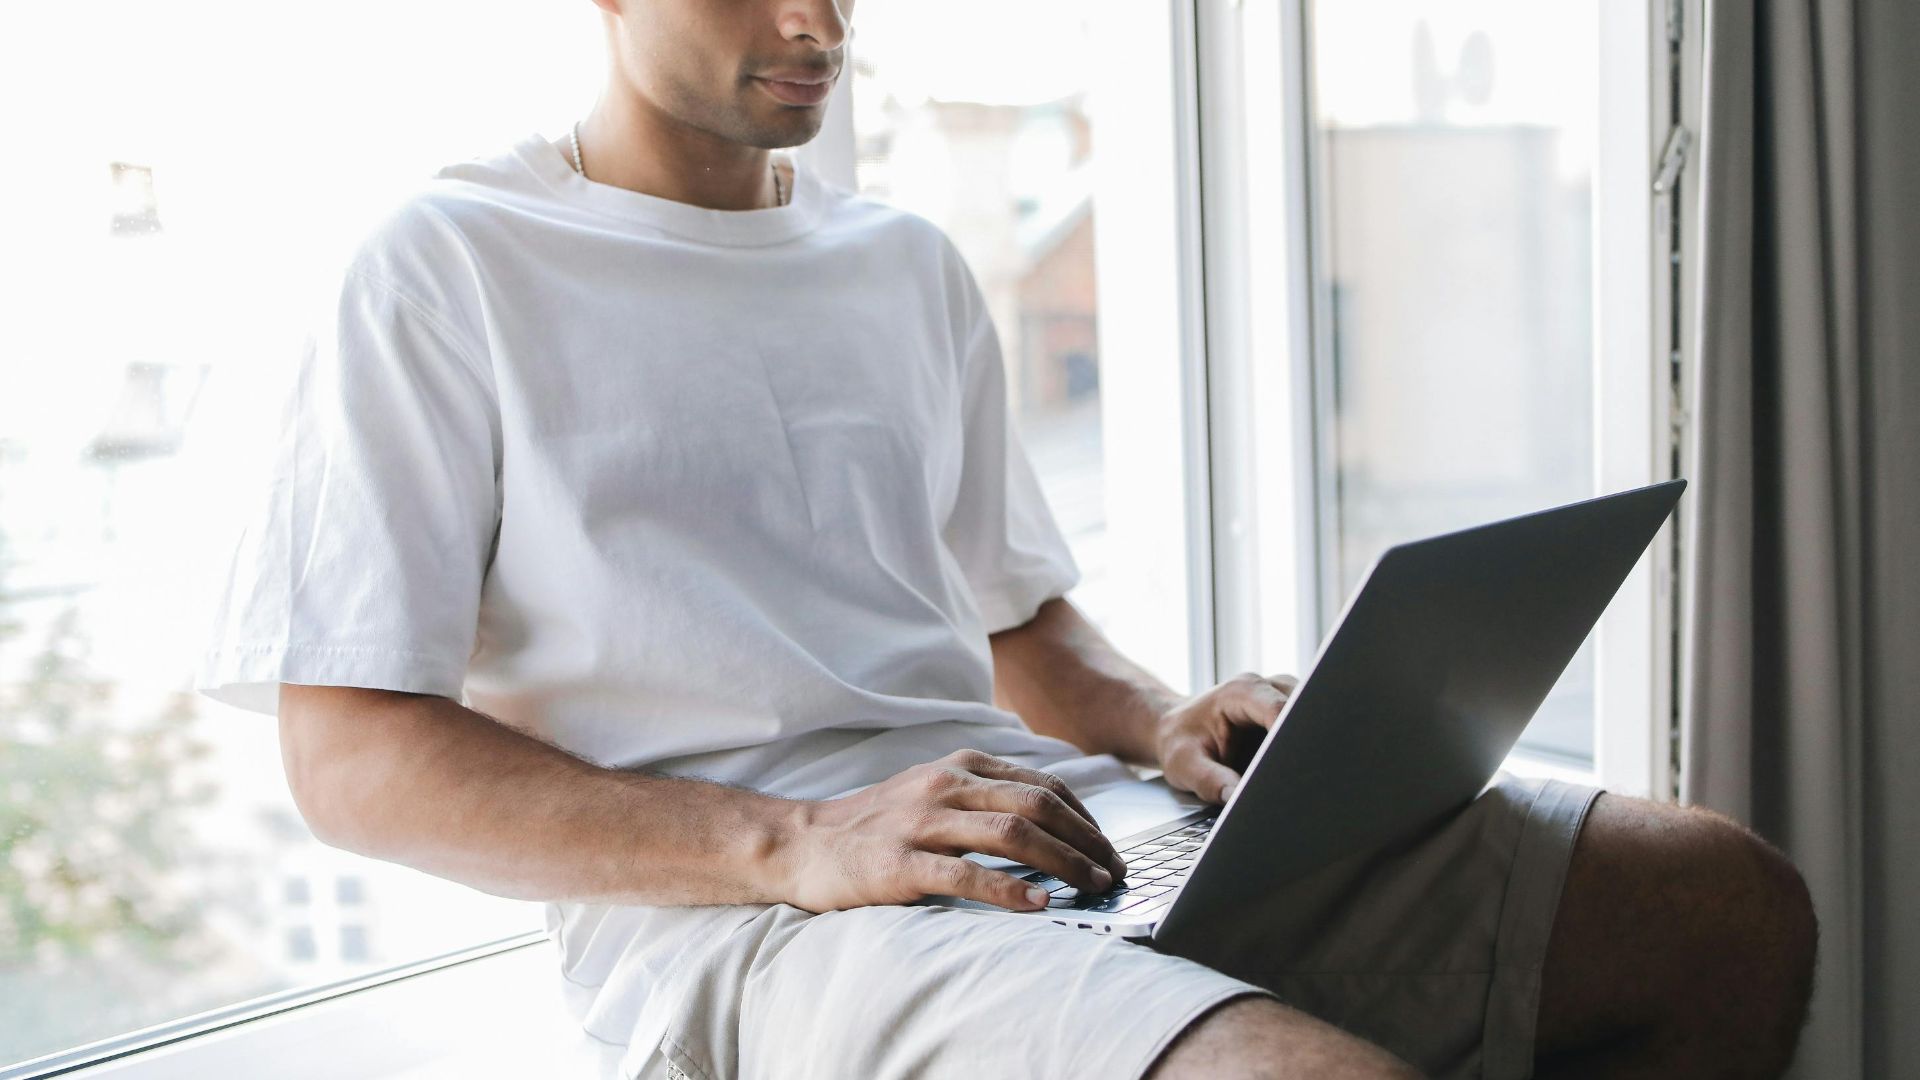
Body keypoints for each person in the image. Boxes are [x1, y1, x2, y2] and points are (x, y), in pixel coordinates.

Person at [195, 0, 1818, 1076]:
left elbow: (1019, 625)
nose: (814, 25)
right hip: (751, 926)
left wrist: (1159, 717)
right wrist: (796, 845)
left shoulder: (896, 260)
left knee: (1717, 902)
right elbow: (351, 758)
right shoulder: (448, 264)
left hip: (1036, 832)